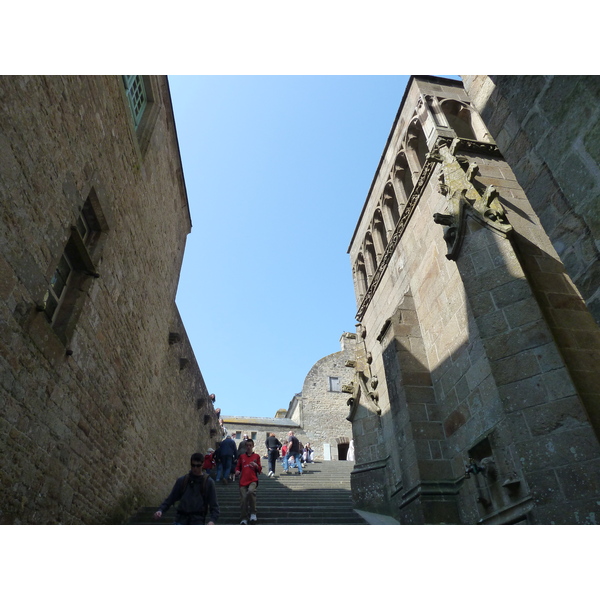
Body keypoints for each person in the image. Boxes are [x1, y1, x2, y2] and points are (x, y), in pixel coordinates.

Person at [153, 453, 219, 525]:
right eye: (193, 465)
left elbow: (214, 505)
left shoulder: (208, 482)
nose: (195, 468)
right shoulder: (182, 480)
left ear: (202, 464)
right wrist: (161, 510)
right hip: (180, 519)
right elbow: (171, 498)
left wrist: (212, 520)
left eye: (198, 466)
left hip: (197, 520)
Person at [235, 438, 262, 524]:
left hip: (253, 479)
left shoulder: (256, 456)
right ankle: (244, 518)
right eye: (247, 445)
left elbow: (260, 470)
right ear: (245, 446)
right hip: (243, 481)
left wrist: (256, 466)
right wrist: (237, 471)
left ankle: (253, 513)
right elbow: (238, 467)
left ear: (253, 446)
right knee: (243, 499)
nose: (249, 447)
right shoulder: (242, 456)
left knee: (251, 492)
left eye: (250, 445)